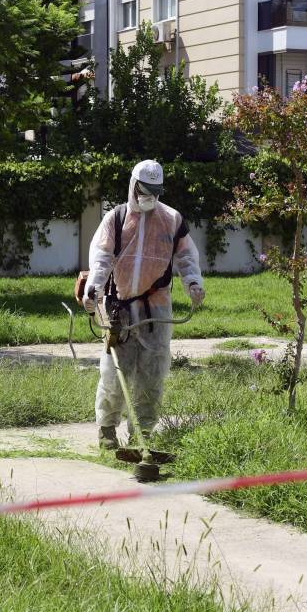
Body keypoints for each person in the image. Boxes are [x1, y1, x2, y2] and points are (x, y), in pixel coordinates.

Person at [84, 160, 205, 450]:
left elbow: (186, 257)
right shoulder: (116, 218)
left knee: (152, 374)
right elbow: (101, 257)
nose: (149, 196)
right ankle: (107, 429)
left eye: (155, 190)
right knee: (115, 373)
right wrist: (95, 288)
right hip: (119, 308)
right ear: (134, 186)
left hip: (156, 309)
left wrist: (193, 282)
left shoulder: (172, 219)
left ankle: (143, 434)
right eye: (144, 190)